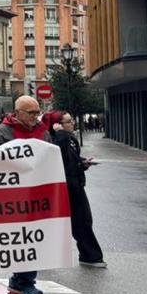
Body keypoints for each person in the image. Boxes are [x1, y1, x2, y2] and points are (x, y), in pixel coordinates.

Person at [0, 95, 51, 294]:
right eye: (31, 113)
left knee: (34, 239)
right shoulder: (1, 133)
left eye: (37, 112)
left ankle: (20, 280)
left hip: (38, 195)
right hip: (13, 198)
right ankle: (26, 283)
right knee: (23, 239)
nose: (36, 117)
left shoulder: (43, 132)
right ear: (18, 113)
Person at [52, 112, 106, 268]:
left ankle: (89, 255)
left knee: (83, 220)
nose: (73, 123)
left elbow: (71, 159)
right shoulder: (58, 138)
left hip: (75, 184)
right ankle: (90, 255)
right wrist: (60, 134)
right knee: (74, 221)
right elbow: (59, 157)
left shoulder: (69, 138)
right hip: (64, 186)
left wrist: (83, 164)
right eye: (69, 121)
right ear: (58, 124)